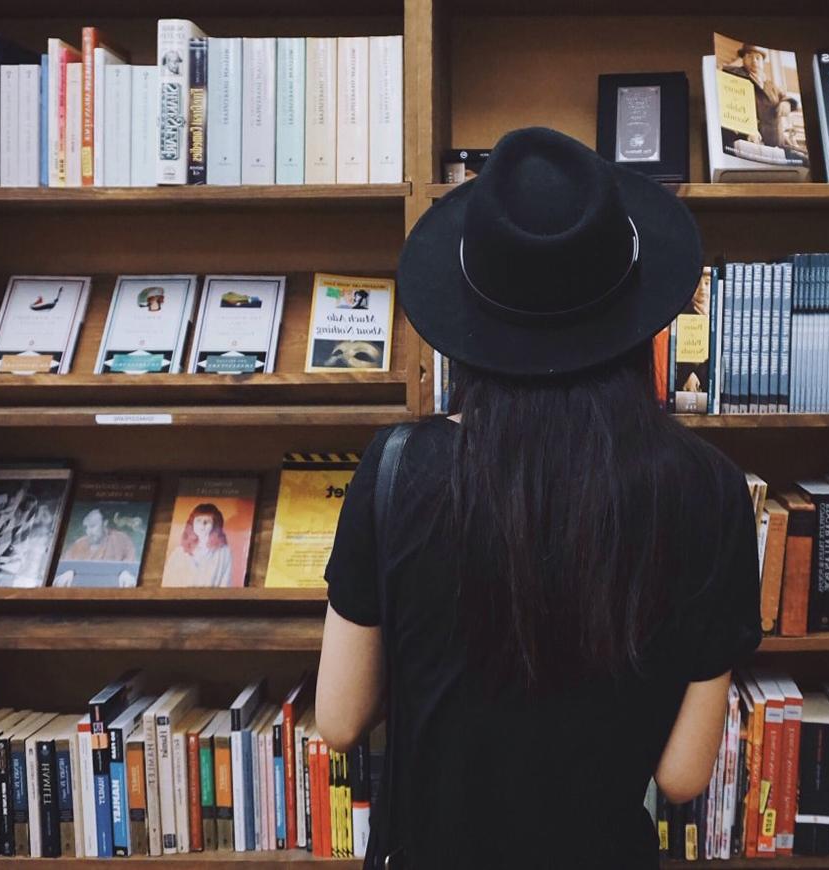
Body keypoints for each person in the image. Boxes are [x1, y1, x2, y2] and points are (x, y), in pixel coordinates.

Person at [316, 128, 761, 868]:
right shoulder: (706, 486)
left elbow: (338, 718)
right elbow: (681, 776)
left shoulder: (397, 469)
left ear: (471, 315)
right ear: (634, 312)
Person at [162, 503, 233, 587]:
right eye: (198, 520)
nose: (202, 525)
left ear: (215, 525)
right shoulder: (179, 552)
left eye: (207, 521)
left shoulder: (223, 553)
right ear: (192, 524)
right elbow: (168, 582)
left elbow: (225, 584)